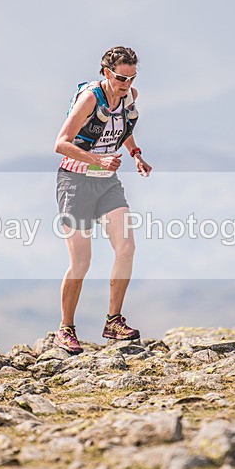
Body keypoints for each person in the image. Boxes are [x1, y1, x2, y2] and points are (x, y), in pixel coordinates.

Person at [53, 46, 152, 354]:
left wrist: (136, 154)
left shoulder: (128, 95)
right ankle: (65, 329)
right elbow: (61, 143)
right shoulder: (89, 99)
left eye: (132, 77)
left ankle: (114, 321)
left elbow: (122, 127)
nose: (127, 83)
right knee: (81, 262)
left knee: (127, 247)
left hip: (107, 183)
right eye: (122, 77)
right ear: (108, 73)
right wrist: (97, 161)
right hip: (75, 182)